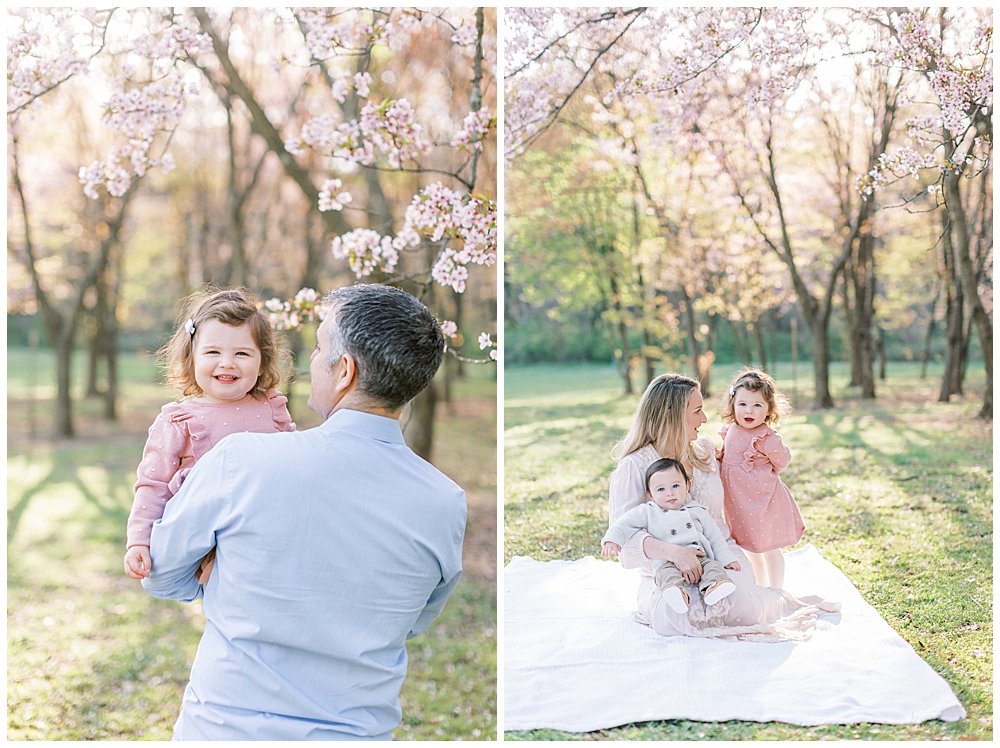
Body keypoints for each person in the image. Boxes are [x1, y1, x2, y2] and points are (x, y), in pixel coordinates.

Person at [141, 283, 467, 741]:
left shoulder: (241, 461)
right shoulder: (446, 502)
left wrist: (225, 572)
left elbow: (160, 574)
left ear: (345, 371)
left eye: (318, 348)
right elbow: (413, 619)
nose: (310, 362)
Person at [608, 373, 836, 639]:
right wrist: (676, 554)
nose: (704, 419)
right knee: (674, 617)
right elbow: (624, 544)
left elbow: (740, 481)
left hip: (720, 557)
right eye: (697, 411)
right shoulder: (634, 466)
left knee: (745, 607)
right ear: (671, 414)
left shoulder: (705, 451)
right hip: (666, 571)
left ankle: (776, 597)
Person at [123, 288, 295, 586]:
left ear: (262, 361)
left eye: (242, 353)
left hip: (268, 530)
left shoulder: (272, 408)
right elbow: (153, 485)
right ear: (191, 358)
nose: (227, 363)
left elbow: (297, 465)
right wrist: (139, 540)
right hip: (204, 533)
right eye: (213, 352)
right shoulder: (179, 420)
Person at [602, 458, 740, 613]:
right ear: (650, 494)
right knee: (666, 575)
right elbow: (623, 523)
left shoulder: (697, 510)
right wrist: (612, 540)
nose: (670, 493)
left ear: (687, 486)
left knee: (714, 568)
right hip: (667, 562)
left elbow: (715, 538)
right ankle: (677, 593)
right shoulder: (648, 511)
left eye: (675, 486)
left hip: (700, 559)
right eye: (661, 489)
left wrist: (727, 558)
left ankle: (712, 588)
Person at [718, 368, 805, 588]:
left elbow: (782, 460)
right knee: (750, 547)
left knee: (768, 547)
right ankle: (760, 586)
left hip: (763, 501)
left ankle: (776, 590)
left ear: (768, 410)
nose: (749, 411)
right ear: (733, 405)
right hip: (738, 503)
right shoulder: (730, 431)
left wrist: (760, 470)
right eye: (743, 404)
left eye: (757, 405)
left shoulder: (766, 437)